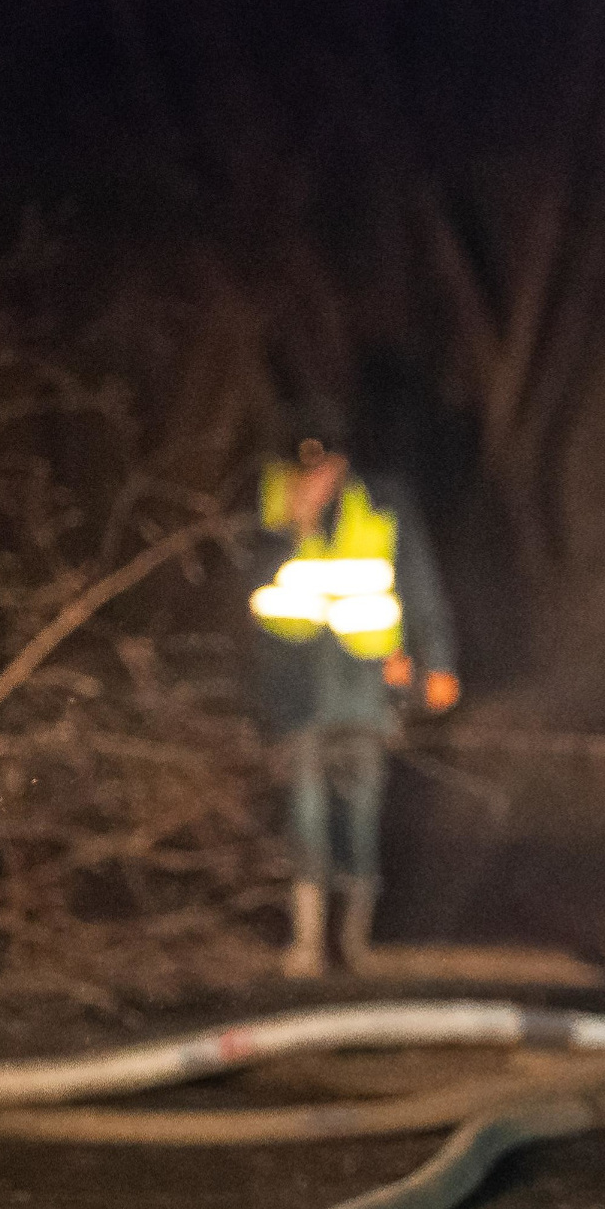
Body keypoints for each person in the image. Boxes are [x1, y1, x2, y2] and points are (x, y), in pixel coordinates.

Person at [249, 406, 459, 977]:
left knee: (360, 815)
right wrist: (288, 529)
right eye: (303, 466)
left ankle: (352, 942)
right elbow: (244, 594)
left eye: (323, 464)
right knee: (305, 815)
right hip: (295, 693)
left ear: (341, 463)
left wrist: (436, 662)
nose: (312, 476)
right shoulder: (267, 507)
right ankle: (307, 941)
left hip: (365, 691)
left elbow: (418, 583)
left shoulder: (383, 505)